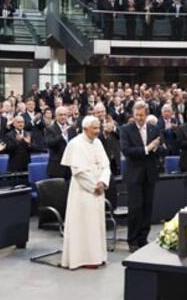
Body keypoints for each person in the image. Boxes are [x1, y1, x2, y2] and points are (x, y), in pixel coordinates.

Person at [60, 116, 111, 270]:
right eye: (94, 128)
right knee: (83, 225)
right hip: (83, 190)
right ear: (85, 128)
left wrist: (103, 181)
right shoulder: (75, 144)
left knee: (96, 225)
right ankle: (81, 258)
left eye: (98, 128)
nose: (97, 131)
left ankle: (97, 256)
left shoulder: (98, 142)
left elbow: (105, 165)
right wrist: (94, 186)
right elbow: (78, 171)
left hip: (99, 188)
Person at [120, 101, 164, 253]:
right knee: (135, 208)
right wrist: (147, 149)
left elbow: (160, 150)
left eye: (142, 115)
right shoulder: (126, 129)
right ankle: (132, 240)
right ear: (133, 114)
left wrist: (158, 148)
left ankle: (143, 238)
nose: (139, 118)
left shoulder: (154, 128)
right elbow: (126, 150)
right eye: (136, 115)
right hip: (134, 175)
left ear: (146, 114)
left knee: (147, 207)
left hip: (150, 173)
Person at [45, 106, 77, 179]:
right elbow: (49, 143)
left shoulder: (71, 129)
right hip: (56, 167)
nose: (63, 117)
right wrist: (62, 135)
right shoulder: (50, 129)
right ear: (56, 116)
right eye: (60, 115)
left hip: (70, 167)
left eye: (65, 115)